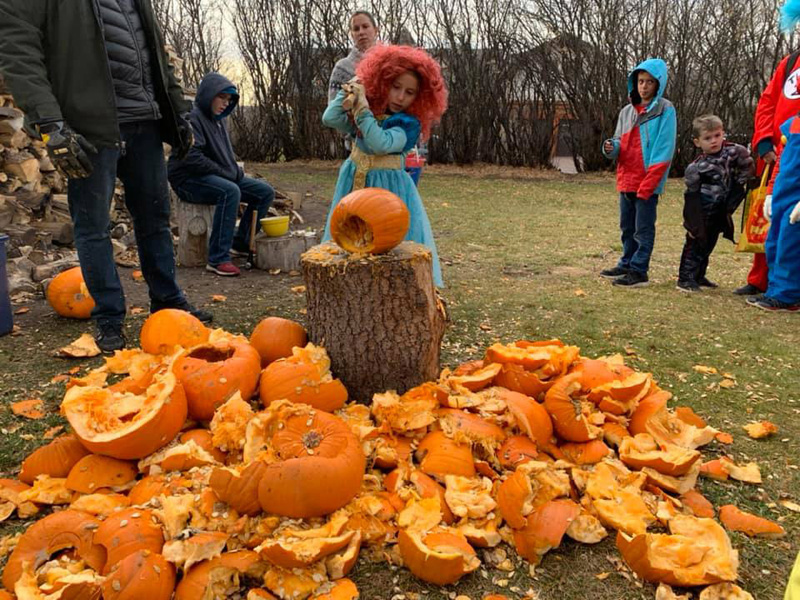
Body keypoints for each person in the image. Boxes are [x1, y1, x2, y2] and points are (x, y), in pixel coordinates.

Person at [0, 0, 212, 353]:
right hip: (88, 127)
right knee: (93, 227)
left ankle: (169, 302)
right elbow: (18, 51)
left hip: (145, 120)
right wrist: (50, 122)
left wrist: (178, 112)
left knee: (156, 220)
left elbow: (154, 55)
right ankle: (110, 317)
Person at [321, 45, 447, 286]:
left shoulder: (408, 123)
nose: (400, 97)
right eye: (395, 87)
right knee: (351, 235)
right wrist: (354, 86)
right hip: (354, 182)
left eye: (409, 92)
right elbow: (330, 117)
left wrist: (362, 111)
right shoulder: (368, 112)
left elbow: (380, 143)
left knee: (387, 241)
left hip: (388, 190)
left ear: (419, 97)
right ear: (381, 82)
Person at [168, 73, 274, 277]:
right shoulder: (192, 118)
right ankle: (217, 258)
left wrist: (234, 171)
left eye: (229, 99)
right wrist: (227, 174)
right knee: (230, 191)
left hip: (212, 176)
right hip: (187, 179)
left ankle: (240, 243)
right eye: (222, 97)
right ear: (209, 95)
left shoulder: (219, 121)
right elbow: (192, 157)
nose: (226, 103)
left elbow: (224, 156)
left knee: (264, 192)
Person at [600, 58, 677, 288]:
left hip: (647, 181)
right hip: (627, 179)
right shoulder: (626, 111)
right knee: (627, 227)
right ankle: (626, 262)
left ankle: (639, 270)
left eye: (649, 82)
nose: (644, 86)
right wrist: (611, 148)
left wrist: (650, 183)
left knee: (643, 229)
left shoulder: (665, 110)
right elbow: (619, 141)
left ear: (658, 84)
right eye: (640, 81)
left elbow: (664, 149)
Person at [737, 46, 800, 296]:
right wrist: (763, 140)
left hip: (795, 153)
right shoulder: (790, 62)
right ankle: (762, 278)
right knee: (768, 216)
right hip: (776, 153)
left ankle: (787, 287)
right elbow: (767, 101)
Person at [677, 115, 753, 292]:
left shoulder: (734, 152)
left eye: (717, 135)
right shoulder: (696, 167)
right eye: (708, 138)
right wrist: (692, 221)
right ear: (697, 142)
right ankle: (686, 277)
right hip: (702, 209)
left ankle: (699, 275)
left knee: (710, 242)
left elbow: (747, 166)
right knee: (695, 241)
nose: (714, 141)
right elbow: (691, 195)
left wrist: (739, 183)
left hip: (722, 208)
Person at [328, 11, 380, 104]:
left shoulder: (388, 63)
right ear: (352, 35)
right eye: (356, 29)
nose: (361, 32)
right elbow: (332, 110)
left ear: (376, 30)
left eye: (365, 26)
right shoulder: (342, 68)